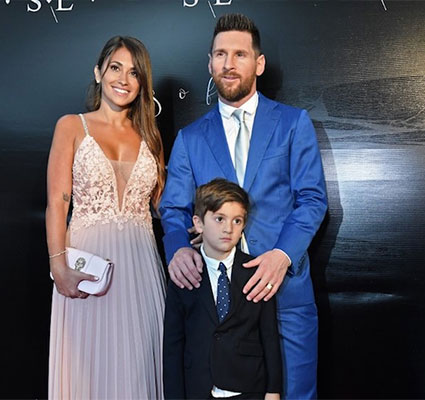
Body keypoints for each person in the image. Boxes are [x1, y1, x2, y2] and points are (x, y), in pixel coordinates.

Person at [159, 14, 327, 399]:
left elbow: (312, 198)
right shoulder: (190, 139)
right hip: (218, 308)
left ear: (259, 63)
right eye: (220, 54)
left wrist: (282, 256)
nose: (229, 63)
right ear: (210, 63)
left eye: (240, 54)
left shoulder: (293, 124)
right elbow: (173, 210)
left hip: (284, 293)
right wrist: (177, 249)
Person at [45, 36, 167, 399]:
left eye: (134, 72)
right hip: (87, 269)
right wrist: (58, 266)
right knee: (87, 369)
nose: (123, 79)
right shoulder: (71, 126)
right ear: (98, 72)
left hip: (141, 268)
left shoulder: (151, 136)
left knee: (137, 370)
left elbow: (164, 205)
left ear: (143, 83)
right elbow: (57, 202)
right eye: (115, 67)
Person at [163, 178, 282, 400]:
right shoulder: (184, 274)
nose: (228, 229)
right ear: (199, 223)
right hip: (199, 388)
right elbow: (173, 345)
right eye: (219, 219)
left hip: (249, 389)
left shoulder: (256, 272)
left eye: (237, 221)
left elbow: (269, 336)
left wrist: (273, 390)